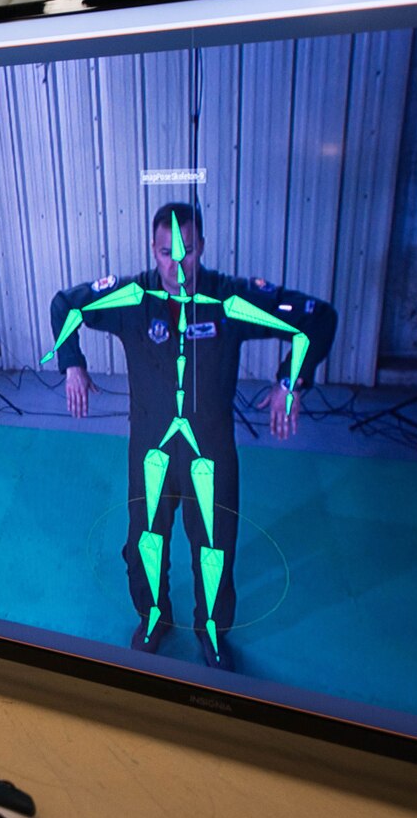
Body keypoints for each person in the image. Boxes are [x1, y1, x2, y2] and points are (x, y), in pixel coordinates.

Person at [46, 202, 338, 672]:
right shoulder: (130, 297)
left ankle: (212, 633)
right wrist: (72, 364)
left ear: (202, 248)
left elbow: (318, 317)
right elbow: (66, 304)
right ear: (153, 249)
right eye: (166, 253)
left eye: (186, 253)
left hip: (211, 450)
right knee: (146, 540)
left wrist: (290, 381)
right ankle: (154, 617)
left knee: (214, 546)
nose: (176, 265)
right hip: (151, 448)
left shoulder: (231, 300)